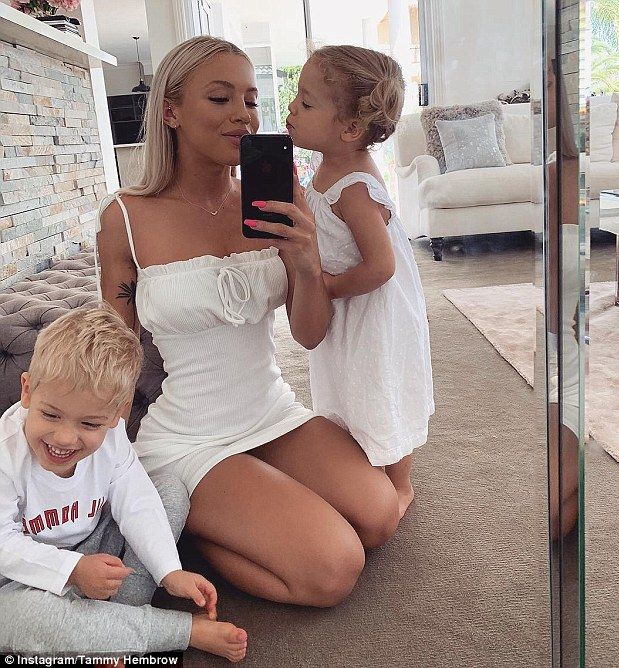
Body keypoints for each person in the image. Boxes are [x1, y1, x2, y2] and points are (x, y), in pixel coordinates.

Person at [96, 36, 399, 608]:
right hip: (190, 438)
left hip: (271, 408)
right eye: (220, 97)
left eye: (252, 98)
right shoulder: (125, 217)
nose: (244, 113)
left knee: (380, 515)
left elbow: (309, 333)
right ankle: (195, 528)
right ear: (171, 111)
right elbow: (118, 341)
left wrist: (307, 262)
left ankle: (239, 513)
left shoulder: (279, 196)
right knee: (333, 568)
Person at [0, 306, 247, 662]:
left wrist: (169, 570)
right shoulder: (6, 454)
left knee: (169, 492)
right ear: (27, 391)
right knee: (21, 619)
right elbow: (5, 545)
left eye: (89, 424)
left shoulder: (113, 436)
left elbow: (137, 500)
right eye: (50, 415)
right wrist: (72, 571)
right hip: (23, 579)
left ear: (117, 415)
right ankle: (178, 631)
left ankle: (110, 628)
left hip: (95, 546)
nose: (65, 437)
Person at [276, 46, 434, 518]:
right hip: (349, 303)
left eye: (305, 103)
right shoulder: (332, 164)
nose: (290, 109)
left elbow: (381, 266)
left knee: (377, 387)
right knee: (348, 389)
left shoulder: (357, 187)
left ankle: (400, 484)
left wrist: (326, 285)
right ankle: (363, 473)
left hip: (371, 309)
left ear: (348, 129)